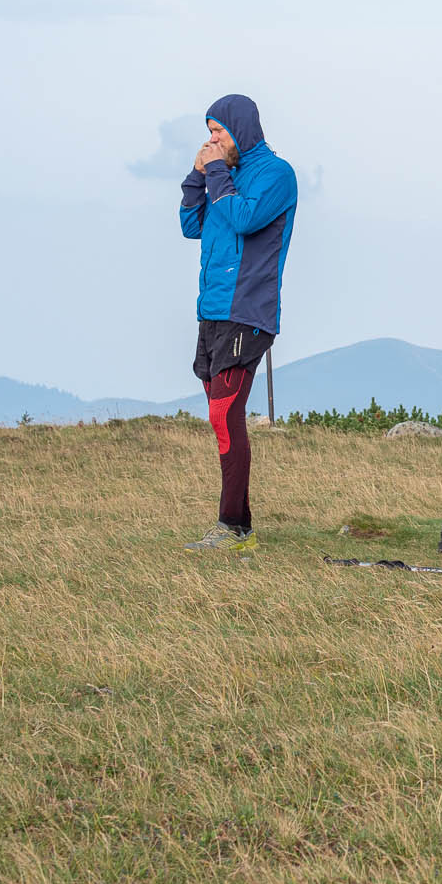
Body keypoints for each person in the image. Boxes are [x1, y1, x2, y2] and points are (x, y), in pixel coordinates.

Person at [178, 93, 298, 551]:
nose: (211, 140)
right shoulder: (218, 175)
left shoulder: (275, 174)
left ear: (240, 130)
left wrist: (215, 173)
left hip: (247, 312)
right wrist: (197, 172)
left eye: (217, 132)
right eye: (208, 133)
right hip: (211, 312)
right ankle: (240, 528)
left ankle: (231, 527)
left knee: (224, 414)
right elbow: (192, 225)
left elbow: (245, 218)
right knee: (222, 418)